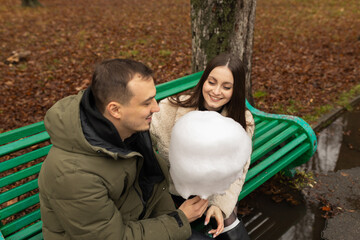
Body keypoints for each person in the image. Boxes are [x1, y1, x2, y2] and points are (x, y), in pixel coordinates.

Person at [38, 58, 210, 240]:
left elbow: (152, 186)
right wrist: (179, 220)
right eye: (147, 102)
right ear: (115, 110)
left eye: (154, 98)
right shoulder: (73, 175)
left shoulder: (128, 132)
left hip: (143, 223)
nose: (156, 108)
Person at [150, 53, 255, 240]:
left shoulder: (242, 120)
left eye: (226, 86)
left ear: (236, 90)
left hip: (214, 191)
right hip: (174, 190)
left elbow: (239, 169)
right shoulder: (170, 108)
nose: (216, 91)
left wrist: (219, 206)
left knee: (229, 223)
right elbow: (143, 145)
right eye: (212, 82)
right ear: (203, 81)